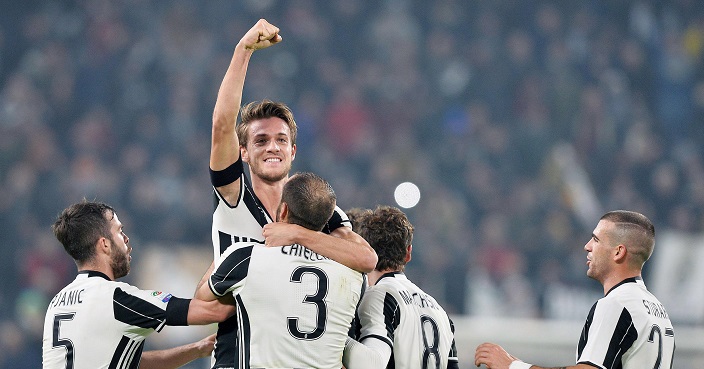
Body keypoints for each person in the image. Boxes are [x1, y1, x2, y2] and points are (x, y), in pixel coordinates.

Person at [202, 18, 376, 367]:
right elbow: (223, 124)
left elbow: (366, 260)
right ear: (243, 152)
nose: (273, 148)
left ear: (293, 151)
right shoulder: (233, 197)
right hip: (238, 355)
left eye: (281, 140)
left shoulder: (317, 210)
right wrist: (243, 51)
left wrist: (297, 234)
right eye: (260, 140)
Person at [196, 172, 365, 368]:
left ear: (283, 210)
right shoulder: (353, 274)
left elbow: (201, 300)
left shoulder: (247, 258)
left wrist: (223, 261)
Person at [42, 201, 236, 369]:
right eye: (119, 231)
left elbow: (129, 363)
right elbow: (215, 311)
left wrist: (197, 349)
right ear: (105, 244)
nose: (126, 239)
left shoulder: (57, 303)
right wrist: (229, 252)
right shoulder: (116, 299)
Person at [474, 210, 675, 369]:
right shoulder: (659, 311)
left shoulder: (617, 305)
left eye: (596, 240)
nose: (587, 246)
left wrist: (514, 366)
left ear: (618, 251)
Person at [342, 205, 460, 369]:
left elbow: (371, 364)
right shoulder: (440, 312)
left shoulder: (379, 296)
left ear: (365, 250)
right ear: (408, 253)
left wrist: (334, 334)